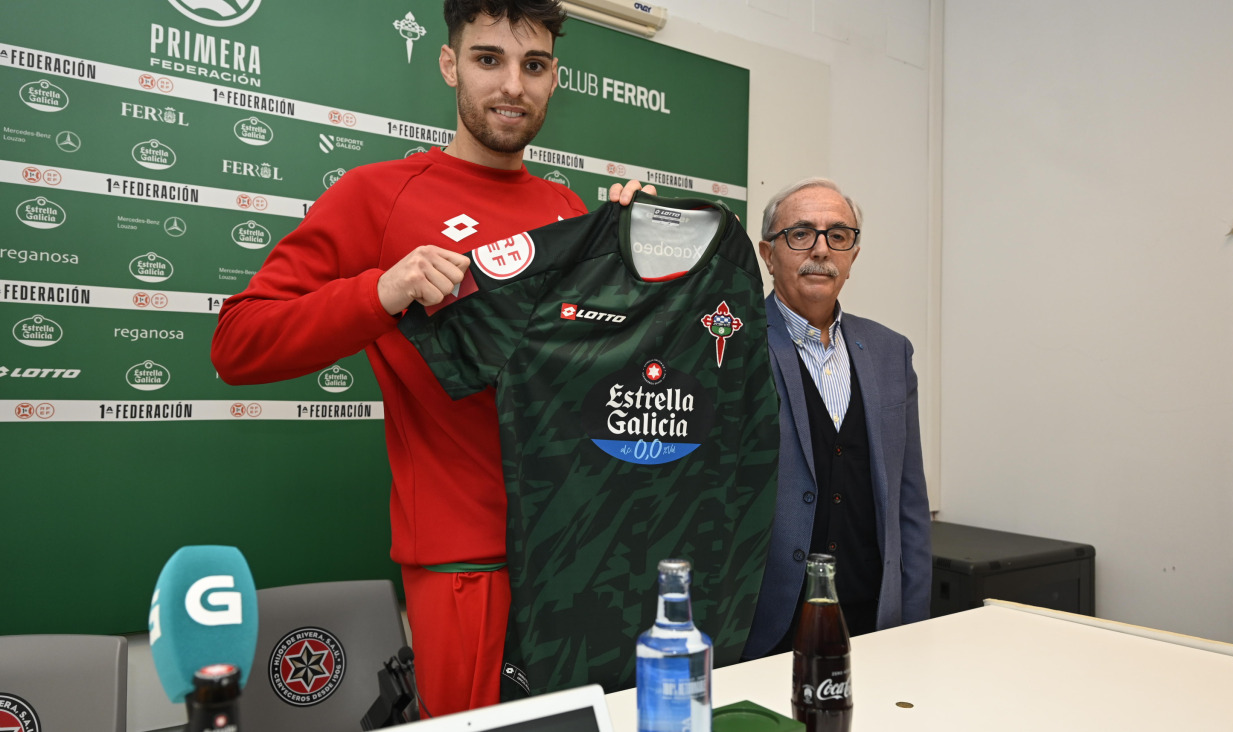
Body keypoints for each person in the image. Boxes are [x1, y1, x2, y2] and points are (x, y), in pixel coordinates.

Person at [210, 0, 648, 715]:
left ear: (554, 78)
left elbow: (607, 380)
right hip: (465, 561)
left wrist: (640, 260)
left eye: (534, 65)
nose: (513, 85)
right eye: (488, 59)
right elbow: (237, 344)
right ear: (449, 64)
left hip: (579, 547)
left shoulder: (572, 210)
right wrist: (381, 291)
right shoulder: (378, 195)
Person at [741, 178, 932, 659]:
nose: (821, 249)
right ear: (768, 254)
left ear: (853, 256)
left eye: (838, 235)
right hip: (767, 626)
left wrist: (915, 624)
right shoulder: (733, 344)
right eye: (801, 233)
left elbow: (908, 502)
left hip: (871, 621)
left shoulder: (891, 351)